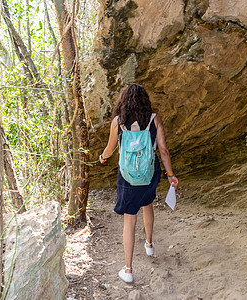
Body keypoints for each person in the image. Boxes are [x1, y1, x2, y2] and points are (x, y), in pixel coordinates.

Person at [99, 84, 179, 283]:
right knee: (147, 204)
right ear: (145, 100)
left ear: (123, 101)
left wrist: (102, 157)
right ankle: (149, 245)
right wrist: (170, 174)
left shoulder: (118, 122)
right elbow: (163, 150)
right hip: (149, 173)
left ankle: (128, 269)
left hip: (127, 176)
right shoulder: (154, 119)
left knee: (129, 218)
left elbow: (109, 149)